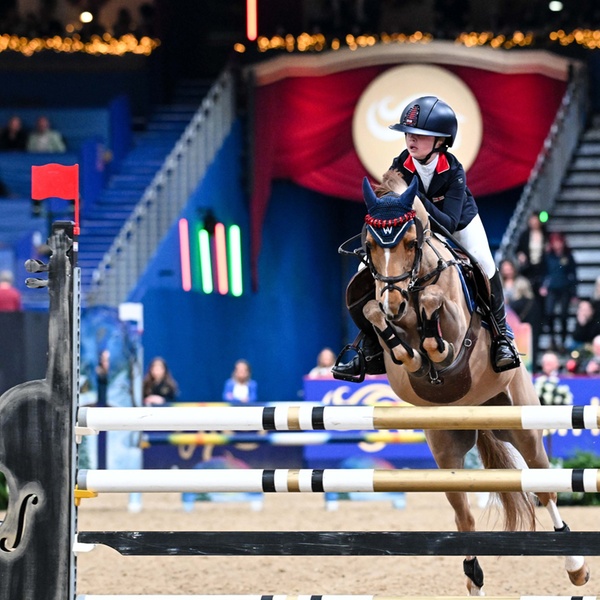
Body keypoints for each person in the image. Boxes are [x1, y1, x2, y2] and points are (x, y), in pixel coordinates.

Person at [333, 95, 519, 380]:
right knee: (364, 269)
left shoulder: (453, 171)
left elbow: (448, 223)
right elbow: (388, 209)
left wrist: (415, 196)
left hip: (459, 224)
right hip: (415, 229)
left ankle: (501, 336)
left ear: (440, 141)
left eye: (420, 135)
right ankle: (368, 346)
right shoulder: (400, 164)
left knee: (485, 262)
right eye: (409, 133)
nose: (411, 139)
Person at [539, 231, 578, 353]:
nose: (557, 245)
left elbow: (573, 274)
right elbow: (543, 273)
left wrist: (574, 293)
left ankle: (563, 341)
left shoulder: (568, 256)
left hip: (565, 288)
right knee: (549, 313)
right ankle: (552, 339)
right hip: (552, 288)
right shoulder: (548, 256)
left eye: (558, 242)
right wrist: (543, 286)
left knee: (564, 316)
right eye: (554, 242)